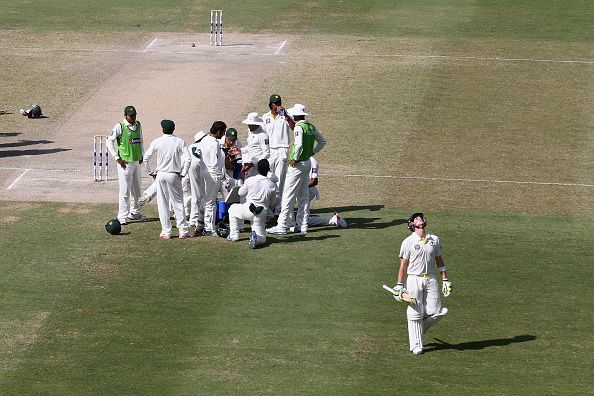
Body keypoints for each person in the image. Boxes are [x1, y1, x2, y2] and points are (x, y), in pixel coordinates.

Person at [394, 213, 452, 354]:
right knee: (415, 313)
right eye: (416, 218)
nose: (419, 218)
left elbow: (439, 260)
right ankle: (416, 345)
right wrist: (399, 285)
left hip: (430, 278)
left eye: (421, 217)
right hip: (414, 278)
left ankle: (418, 329)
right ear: (412, 225)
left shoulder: (434, 239)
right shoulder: (408, 242)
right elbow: (403, 265)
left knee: (437, 311)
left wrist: (445, 279)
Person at [267, 104, 326, 235]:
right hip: (306, 164)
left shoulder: (300, 127)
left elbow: (298, 144)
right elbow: (322, 142)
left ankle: (281, 226)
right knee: (303, 196)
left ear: (297, 115)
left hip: (298, 165)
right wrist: (311, 153)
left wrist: (295, 158)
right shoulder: (310, 126)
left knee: (288, 195)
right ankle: (303, 225)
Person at [143, 120, 192, 239]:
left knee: (163, 203)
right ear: (173, 129)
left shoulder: (157, 142)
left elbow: (146, 158)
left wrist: (150, 171)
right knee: (178, 202)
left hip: (161, 175)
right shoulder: (180, 142)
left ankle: (166, 231)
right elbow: (188, 159)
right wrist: (184, 172)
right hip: (173, 174)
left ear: (163, 129)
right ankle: (183, 231)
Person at [106, 105, 145, 225]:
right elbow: (109, 141)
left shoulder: (138, 125)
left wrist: (141, 154)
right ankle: (122, 216)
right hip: (125, 164)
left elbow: (141, 139)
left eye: (134, 115)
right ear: (125, 116)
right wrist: (117, 158)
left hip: (136, 162)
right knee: (125, 191)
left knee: (137, 189)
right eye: (131, 116)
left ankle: (135, 212)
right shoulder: (120, 126)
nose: (133, 118)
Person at [227, 159, 277, 249]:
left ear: (257, 169)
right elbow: (273, 203)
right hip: (261, 212)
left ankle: (234, 234)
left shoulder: (250, 180)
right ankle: (257, 238)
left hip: (248, 209)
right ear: (268, 170)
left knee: (232, 208)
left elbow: (240, 193)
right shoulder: (272, 185)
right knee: (262, 237)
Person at [287, 156, 347, 231]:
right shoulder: (297, 158)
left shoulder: (313, 162)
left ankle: (333, 219)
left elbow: (314, 181)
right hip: (300, 189)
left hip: (308, 190)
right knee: (301, 216)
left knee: (290, 204)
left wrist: (298, 186)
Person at [262, 94, 294, 214]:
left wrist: (285, 115)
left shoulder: (285, 116)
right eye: (276, 103)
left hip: (282, 150)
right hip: (269, 150)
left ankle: (278, 209)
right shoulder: (265, 117)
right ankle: (269, 206)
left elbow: (293, 127)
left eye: (279, 102)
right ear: (271, 104)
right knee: (268, 177)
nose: (278, 105)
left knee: (280, 180)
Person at [200, 121, 227, 236]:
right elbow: (214, 161)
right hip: (212, 174)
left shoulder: (204, 140)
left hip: (203, 172)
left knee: (206, 200)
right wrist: (218, 176)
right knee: (211, 202)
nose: (223, 134)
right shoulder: (214, 143)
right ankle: (209, 228)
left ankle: (202, 224)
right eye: (223, 132)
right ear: (219, 132)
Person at [228, 112, 269, 179]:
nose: (248, 126)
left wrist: (254, 164)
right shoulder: (251, 133)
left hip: (257, 167)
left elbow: (266, 153)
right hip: (249, 164)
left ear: (256, 124)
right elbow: (250, 147)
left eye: (250, 124)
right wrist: (240, 150)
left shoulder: (263, 135)